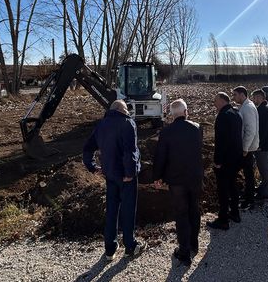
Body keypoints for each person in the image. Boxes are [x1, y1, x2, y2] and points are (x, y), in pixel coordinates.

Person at [83, 100, 146, 260]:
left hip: (109, 175)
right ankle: (130, 246)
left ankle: (110, 249)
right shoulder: (127, 123)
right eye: (126, 110)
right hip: (126, 177)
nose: (128, 112)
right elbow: (130, 151)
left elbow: (88, 147)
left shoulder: (102, 125)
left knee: (111, 211)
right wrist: (130, 173)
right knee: (128, 210)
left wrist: (92, 167)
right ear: (122, 110)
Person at [153, 99, 204, 267]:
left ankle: (184, 251)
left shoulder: (166, 132)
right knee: (194, 210)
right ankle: (193, 245)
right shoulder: (197, 128)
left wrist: (158, 177)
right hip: (195, 178)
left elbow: (160, 156)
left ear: (172, 115)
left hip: (176, 180)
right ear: (186, 111)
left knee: (181, 213)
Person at [207, 92, 243, 230]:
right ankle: (235, 213)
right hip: (236, 158)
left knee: (223, 190)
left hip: (226, 161)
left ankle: (223, 220)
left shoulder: (223, 116)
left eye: (215, 100)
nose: (214, 103)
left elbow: (221, 142)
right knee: (233, 186)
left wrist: (217, 161)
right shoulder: (236, 113)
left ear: (222, 100)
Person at [232, 86, 259, 210]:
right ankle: (248, 196)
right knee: (247, 173)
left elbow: (250, 130)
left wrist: (245, 148)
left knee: (248, 174)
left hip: (248, 148)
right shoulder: (246, 106)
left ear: (242, 94)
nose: (234, 97)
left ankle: (249, 200)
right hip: (248, 147)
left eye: (235, 95)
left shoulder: (247, 108)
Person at [251, 89, 268, 200]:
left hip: (263, 145)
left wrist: (259, 144)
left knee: (263, 167)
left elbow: (263, 130)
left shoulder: (264, 109)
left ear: (260, 97)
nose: (253, 100)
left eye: (255, 98)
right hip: (264, 143)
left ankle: (265, 192)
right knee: (262, 167)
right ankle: (263, 188)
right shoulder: (264, 107)